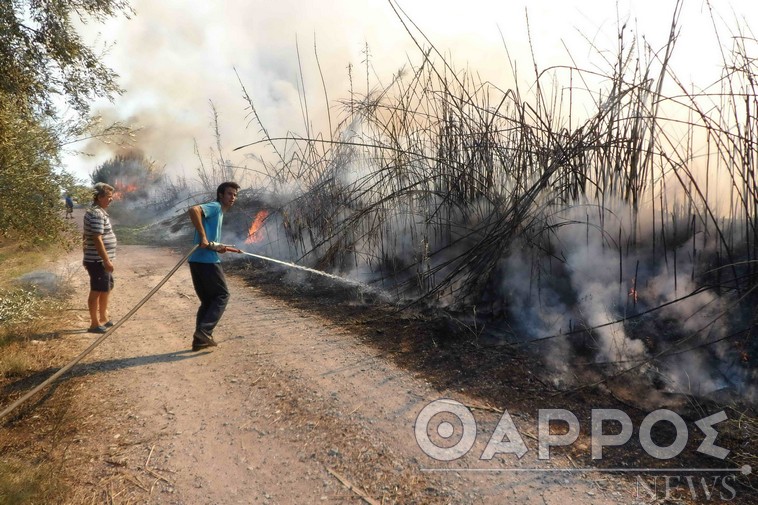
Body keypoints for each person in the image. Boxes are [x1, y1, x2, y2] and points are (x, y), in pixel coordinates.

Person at [188, 181, 240, 351]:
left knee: (208, 300)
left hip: (197, 259)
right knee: (222, 295)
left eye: (235, 195)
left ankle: (199, 340)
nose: (233, 197)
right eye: (229, 194)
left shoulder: (219, 212)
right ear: (220, 195)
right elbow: (194, 210)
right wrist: (203, 238)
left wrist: (219, 246)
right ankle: (205, 330)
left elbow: (210, 240)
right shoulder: (216, 207)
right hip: (207, 260)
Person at [82, 182, 117, 333]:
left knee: (106, 288)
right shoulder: (96, 213)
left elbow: (86, 237)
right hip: (97, 261)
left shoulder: (98, 212)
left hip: (98, 259)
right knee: (96, 290)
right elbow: (97, 238)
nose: (111, 200)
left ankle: (103, 317)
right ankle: (94, 324)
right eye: (109, 197)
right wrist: (106, 260)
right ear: (99, 197)